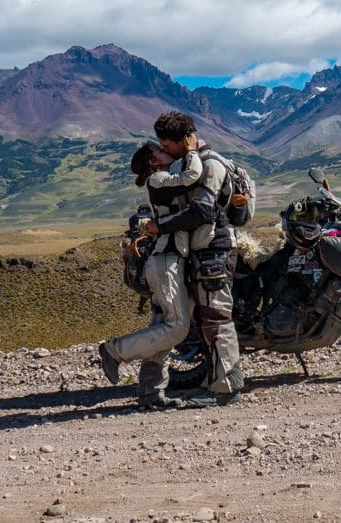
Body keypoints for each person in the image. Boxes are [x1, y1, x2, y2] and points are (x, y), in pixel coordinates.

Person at [143, 111, 244, 407]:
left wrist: (161, 227)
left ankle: (225, 389)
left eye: (169, 146)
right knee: (205, 319)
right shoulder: (191, 164)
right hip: (202, 252)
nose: (166, 152)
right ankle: (214, 382)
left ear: (187, 138)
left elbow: (201, 211)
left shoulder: (210, 164)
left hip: (215, 252)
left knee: (216, 318)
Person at [98, 135, 201, 410]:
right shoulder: (157, 179)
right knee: (177, 328)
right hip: (166, 262)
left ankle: (151, 393)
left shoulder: (161, 179)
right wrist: (192, 150)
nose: (167, 151)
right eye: (161, 149)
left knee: (162, 330)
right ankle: (114, 350)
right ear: (154, 160)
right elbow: (192, 176)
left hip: (167, 261)